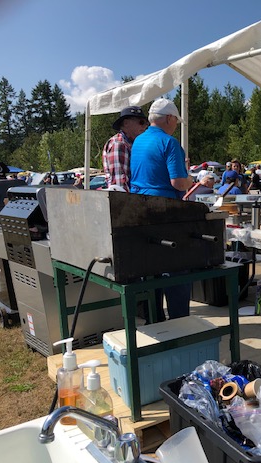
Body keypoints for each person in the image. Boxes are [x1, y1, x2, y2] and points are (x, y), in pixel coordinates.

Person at [130, 98, 194, 321]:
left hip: (139, 210)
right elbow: (178, 183)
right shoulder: (169, 142)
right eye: (176, 120)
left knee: (151, 270)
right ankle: (180, 323)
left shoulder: (138, 141)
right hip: (166, 213)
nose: (176, 125)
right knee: (177, 270)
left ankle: (154, 322)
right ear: (169, 118)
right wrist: (191, 179)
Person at [102, 105, 149, 192]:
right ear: (126, 123)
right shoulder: (119, 144)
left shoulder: (129, 143)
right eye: (141, 122)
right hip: (124, 198)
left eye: (146, 123)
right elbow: (119, 185)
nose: (145, 126)